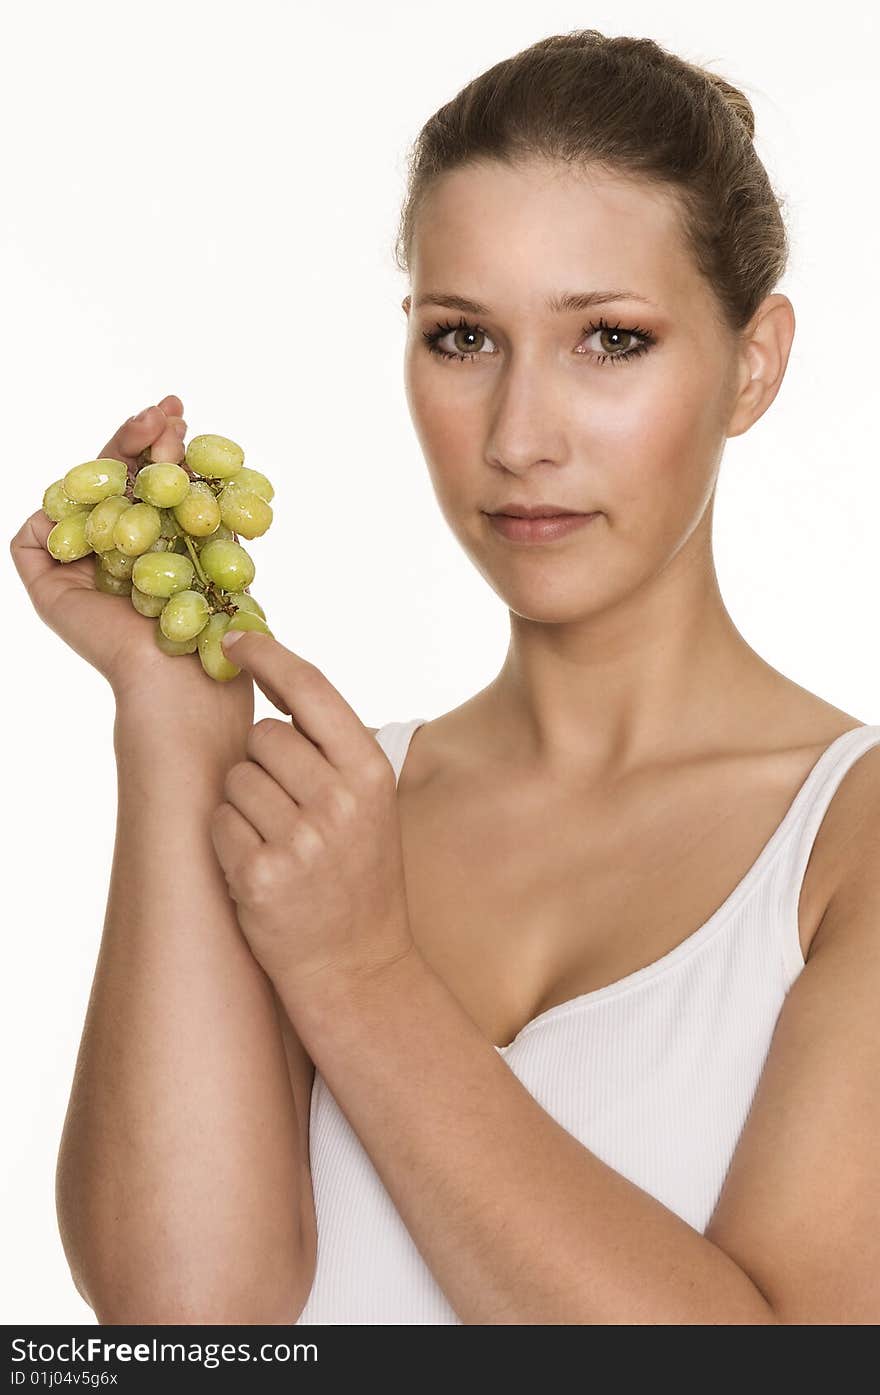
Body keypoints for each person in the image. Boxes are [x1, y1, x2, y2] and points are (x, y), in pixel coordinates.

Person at [11, 29, 879, 1327]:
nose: (521, 438)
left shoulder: (846, 846)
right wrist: (177, 720)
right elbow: (189, 1328)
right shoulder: (321, 813)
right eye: (464, 338)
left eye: (613, 341)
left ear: (754, 361)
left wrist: (361, 978)